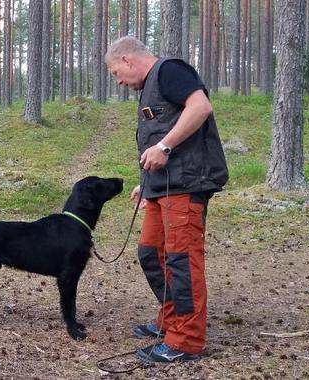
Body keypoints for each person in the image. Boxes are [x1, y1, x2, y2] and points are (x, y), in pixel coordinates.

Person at [104, 36, 229, 363]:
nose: (118, 80)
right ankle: (171, 319)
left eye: (116, 72)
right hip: (163, 187)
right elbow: (158, 136)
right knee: (150, 252)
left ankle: (186, 340)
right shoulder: (149, 88)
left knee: (181, 259)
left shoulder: (169, 71)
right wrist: (146, 184)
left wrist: (165, 147)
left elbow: (200, 107)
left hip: (187, 184)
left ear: (128, 60)